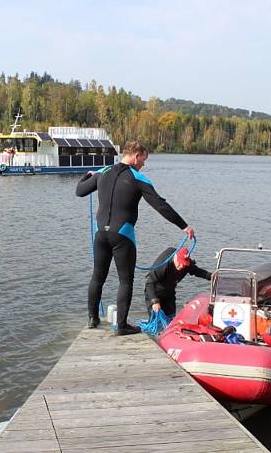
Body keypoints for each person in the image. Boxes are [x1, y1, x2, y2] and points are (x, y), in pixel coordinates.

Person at [76, 141, 195, 336]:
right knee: (125, 281)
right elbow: (160, 205)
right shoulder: (138, 178)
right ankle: (122, 326)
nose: (144, 164)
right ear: (137, 155)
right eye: (144, 160)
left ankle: (92, 319)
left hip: (101, 234)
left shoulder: (103, 172)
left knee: (98, 277)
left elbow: (80, 191)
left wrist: (86, 176)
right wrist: (184, 226)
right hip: (122, 236)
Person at [144, 246, 211, 318]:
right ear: (175, 258)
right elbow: (149, 283)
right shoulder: (163, 264)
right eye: (180, 262)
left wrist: (211, 276)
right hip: (154, 292)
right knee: (156, 320)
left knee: (171, 317)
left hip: (169, 292)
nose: (181, 266)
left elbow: (197, 271)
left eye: (184, 264)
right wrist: (155, 301)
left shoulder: (186, 264)